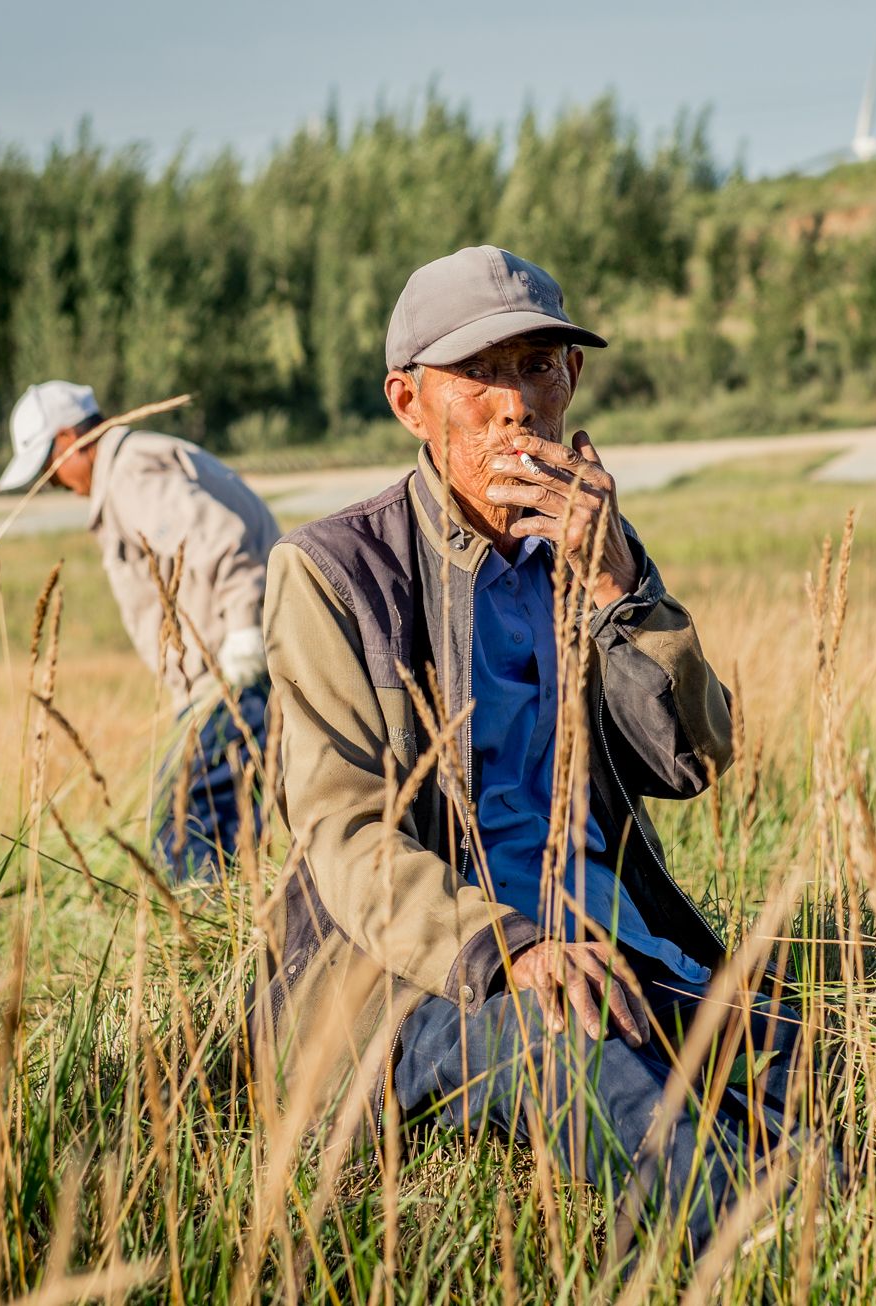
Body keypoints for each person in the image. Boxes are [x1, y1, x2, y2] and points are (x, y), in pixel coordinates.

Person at [259, 246, 803, 1254]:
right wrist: (510, 947)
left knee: (804, 1061)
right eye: (478, 375)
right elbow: (346, 835)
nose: (514, 405)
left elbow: (693, 757)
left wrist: (618, 591)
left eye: (537, 366)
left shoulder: (590, 547)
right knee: (603, 1073)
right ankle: (751, 1251)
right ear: (408, 402)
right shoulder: (337, 573)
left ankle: (817, 1220)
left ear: (572, 380)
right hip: (424, 980)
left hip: (606, 942)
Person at [0, 380, 281, 879]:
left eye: (47, 466)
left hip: (232, 677)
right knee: (222, 834)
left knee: (184, 833)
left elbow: (222, 542)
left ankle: (210, 928)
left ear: (68, 439)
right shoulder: (135, 463)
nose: (51, 481)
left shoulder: (130, 476)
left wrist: (242, 633)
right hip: (225, 678)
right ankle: (246, 923)